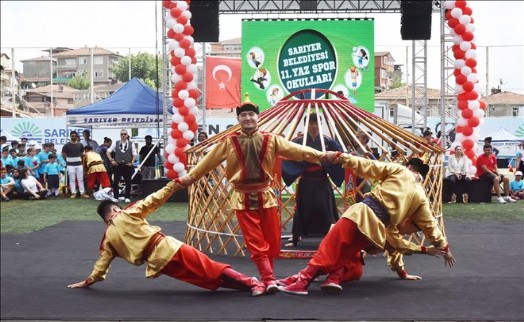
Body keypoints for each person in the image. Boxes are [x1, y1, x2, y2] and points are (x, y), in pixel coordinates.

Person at [176, 97, 333, 295]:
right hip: (242, 197)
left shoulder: (271, 139)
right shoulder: (229, 142)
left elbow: (298, 151)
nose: (248, 118)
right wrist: (191, 177)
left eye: (251, 114)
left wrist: (321, 156)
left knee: (273, 242)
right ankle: (268, 279)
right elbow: (209, 161)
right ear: (238, 119)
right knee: (255, 242)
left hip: (265, 195)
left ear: (258, 117)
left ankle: (269, 279)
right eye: (243, 115)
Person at [278, 156, 456, 295]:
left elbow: (368, 165)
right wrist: (444, 247)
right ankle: (320, 279)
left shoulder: (400, 170)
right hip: (376, 231)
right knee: (344, 254)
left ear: (410, 168)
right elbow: (430, 226)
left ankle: (301, 283)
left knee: (329, 248)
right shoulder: (421, 198)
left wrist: (342, 157)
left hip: (362, 214)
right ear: (422, 178)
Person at [66, 180, 266, 297]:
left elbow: (101, 265)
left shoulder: (107, 239)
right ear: (115, 209)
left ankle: (248, 286)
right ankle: (253, 283)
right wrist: (174, 185)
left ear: (104, 219)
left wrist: (88, 281)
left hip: (158, 263)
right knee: (209, 266)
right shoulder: (127, 213)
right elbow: (154, 199)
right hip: (168, 247)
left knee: (204, 278)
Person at [281, 113, 344, 247]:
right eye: (310, 123)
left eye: (316, 123)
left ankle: (331, 238)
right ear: (306, 125)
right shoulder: (299, 141)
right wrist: (307, 161)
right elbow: (287, 155)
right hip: (306, 181)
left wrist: (325, 163)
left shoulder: (328, 141)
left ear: (320, 125)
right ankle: (295, 238)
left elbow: (341, 156)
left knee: (326, 209)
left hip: (322, 180)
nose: (313, 126)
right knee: (302, 209)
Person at [107, 130, 137, 203]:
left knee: (128, 182)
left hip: (127, 165)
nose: (123, 135)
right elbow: (108, 151)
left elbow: (135, 154)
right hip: (118, 165)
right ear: (120, 135)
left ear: (127, 135)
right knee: (116, 181)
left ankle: (127, 197)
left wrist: (132, 162)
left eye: (125, 134)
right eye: (122, 134)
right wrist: (112, 160)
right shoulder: (116, 143)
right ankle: (116, 196)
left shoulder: (131, 144)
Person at [62, 131, 89, 199]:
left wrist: (82, 155)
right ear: (70, 136)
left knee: (80, 179)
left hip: (79, 164)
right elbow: (63, 154)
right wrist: (67, 160)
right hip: (70, 165)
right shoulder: (66, 145)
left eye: (75, 136)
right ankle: (73, 193)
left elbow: (82, 153)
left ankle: (82, 193)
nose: (74, 137)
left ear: (76, 136)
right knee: (72, 179)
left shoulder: (80, 145)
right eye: (72, 136)